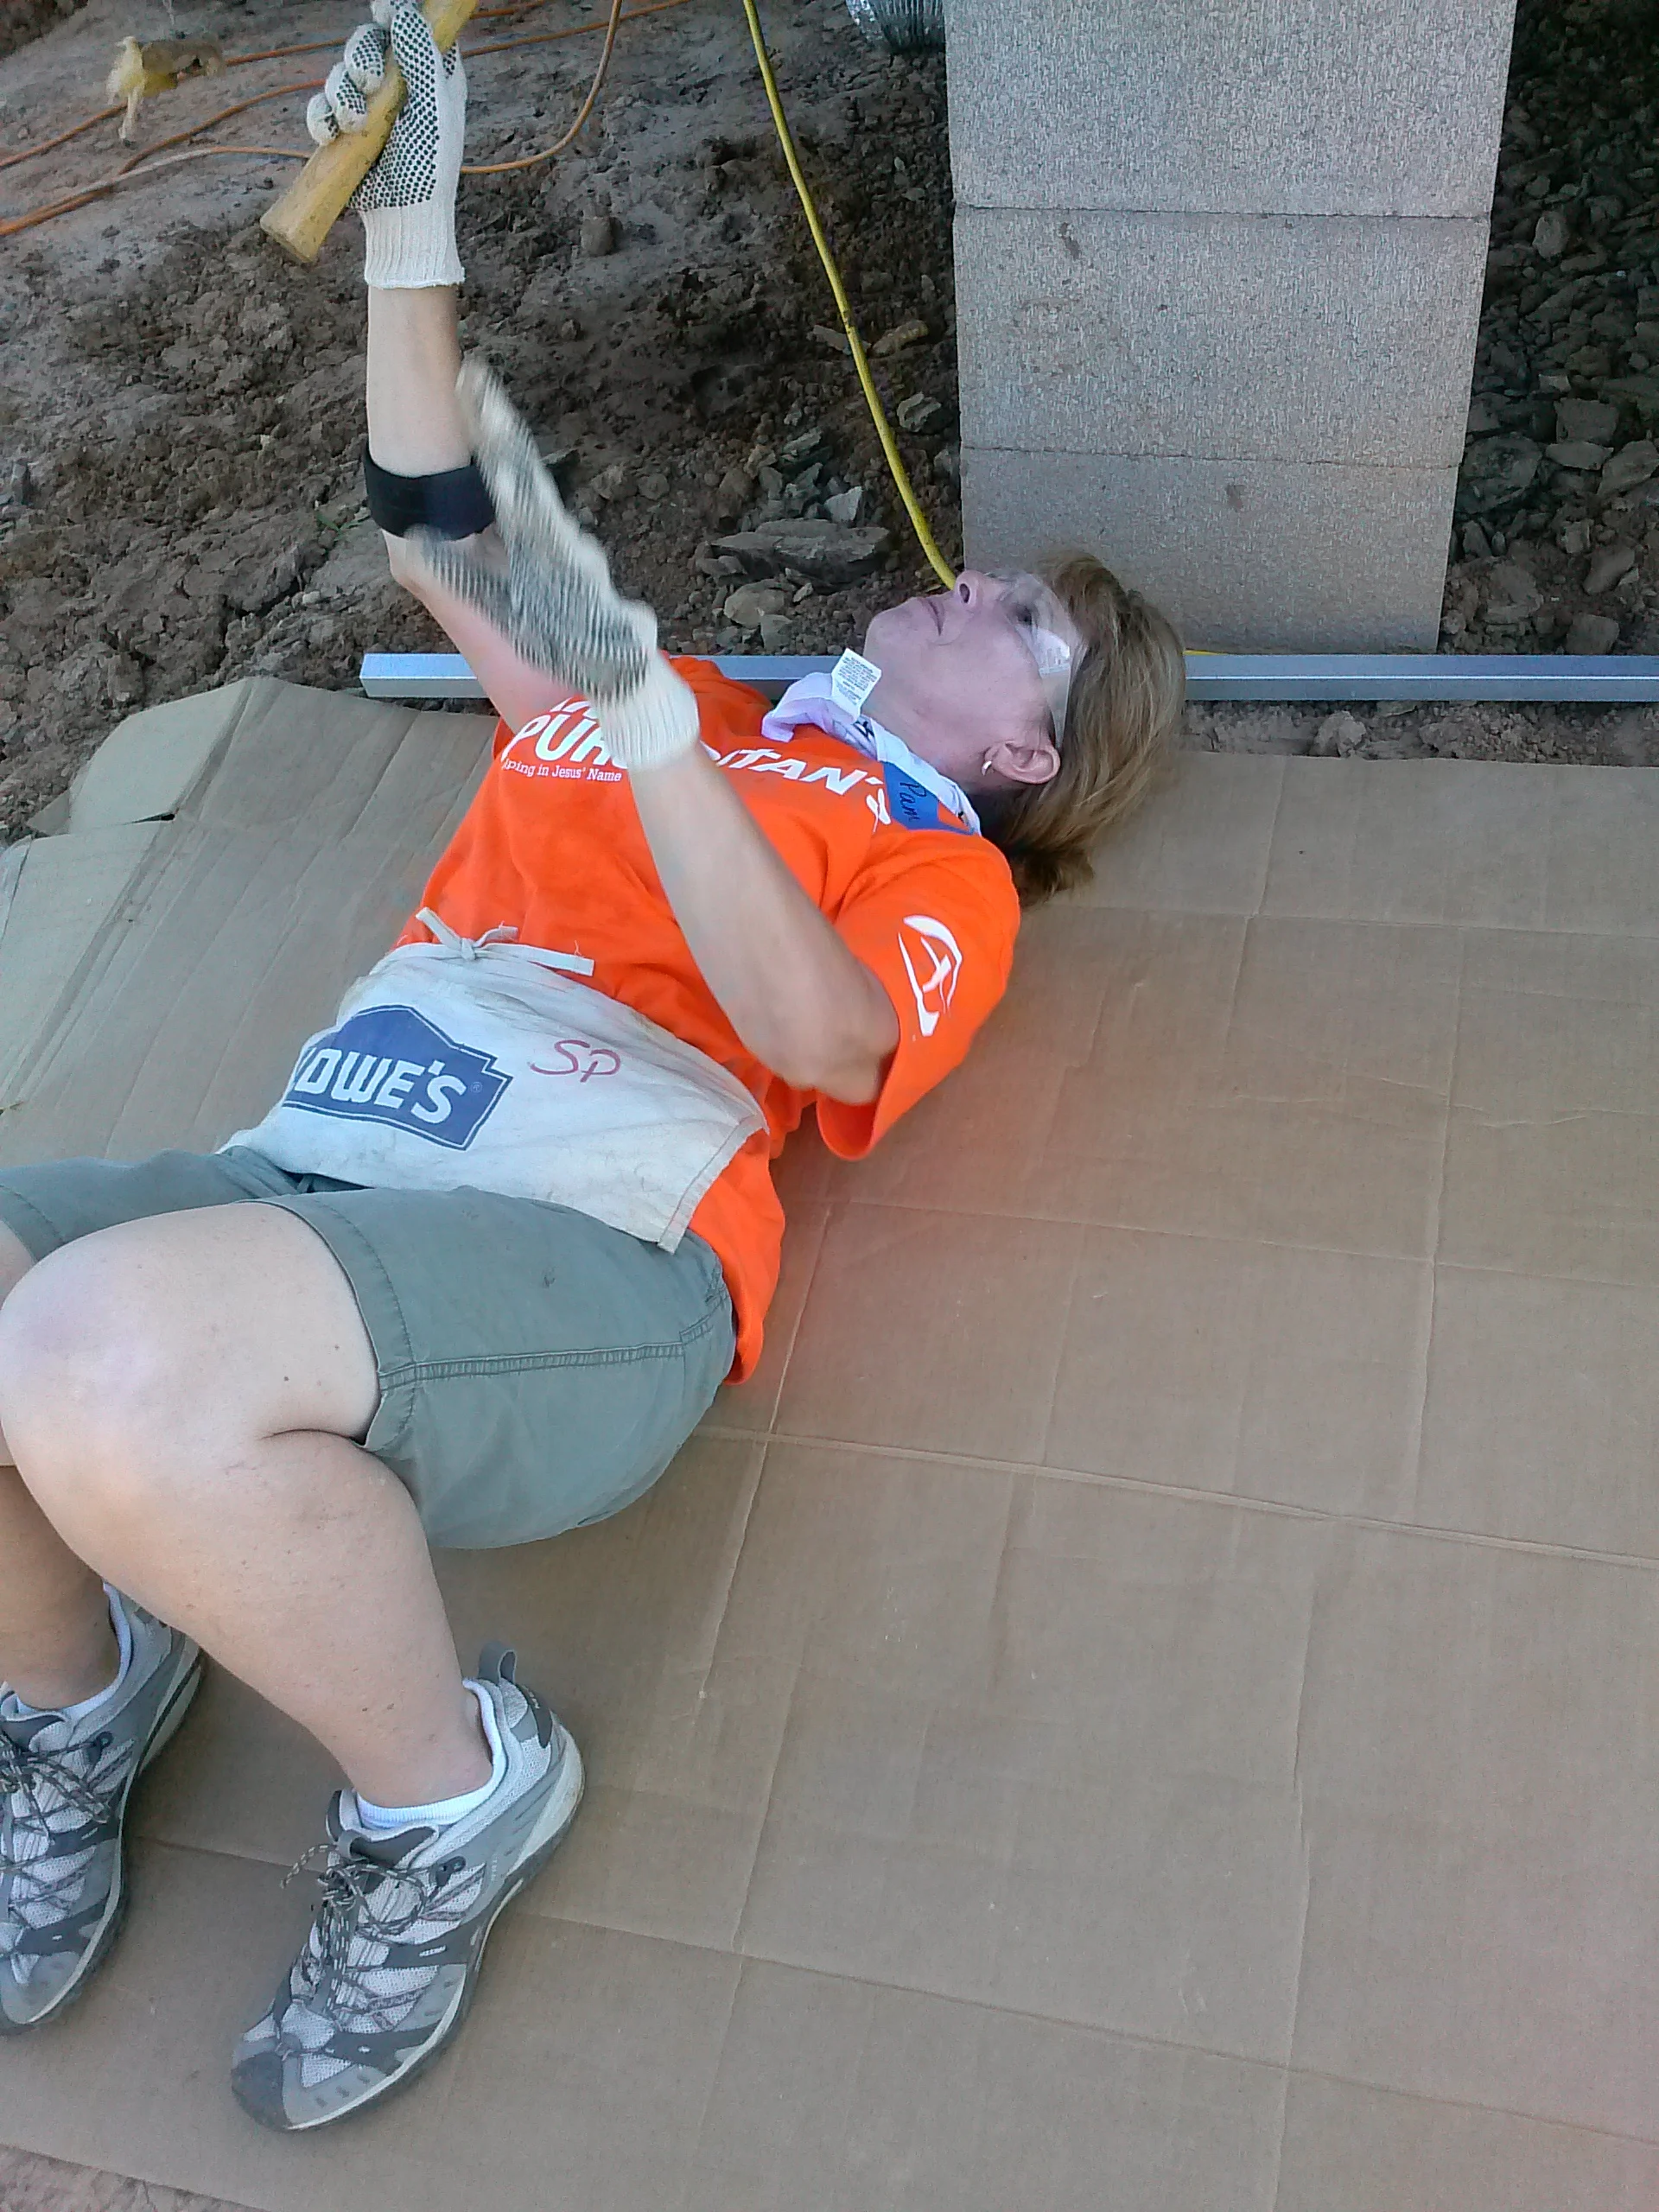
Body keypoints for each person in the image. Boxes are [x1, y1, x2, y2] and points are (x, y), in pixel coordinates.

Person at [0, 1, 1185, 2134]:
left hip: (593, 1249)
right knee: (44, 1328)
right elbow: (434, 520)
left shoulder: (942, 870)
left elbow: (823, 1036)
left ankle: (453, 1798)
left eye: (1020, 614)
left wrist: (651, 737)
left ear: (1026, 748)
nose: (968, 576)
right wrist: (415, 226)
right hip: (326, 1167)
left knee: (91, 1354)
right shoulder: (693, 698)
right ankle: (79, 1686)